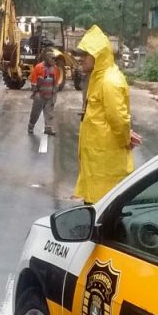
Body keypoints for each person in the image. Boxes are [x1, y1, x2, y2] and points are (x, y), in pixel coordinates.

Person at [74, 25, 142, 205]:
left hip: (105, 164)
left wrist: (124, 138)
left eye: (86, 55)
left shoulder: (108, 81)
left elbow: (119, 120)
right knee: (96, 206)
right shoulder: (99, 78)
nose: (82, 59)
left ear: (97, 55)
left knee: (102, 210)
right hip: (99, 162)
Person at [28, 51, 60, 135]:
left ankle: (48, 129)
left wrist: (54, 93)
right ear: (46, 58)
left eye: (54, 58)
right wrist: (35, 92)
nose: (53, 60)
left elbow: (56, 82)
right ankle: (31, 126)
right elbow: (33, 81)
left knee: (49, 112)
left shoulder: (55, 68)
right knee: (35, 112)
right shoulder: (38, 67)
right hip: (40, 94)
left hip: (50, 94)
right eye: (52, 58)